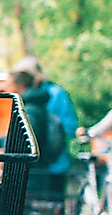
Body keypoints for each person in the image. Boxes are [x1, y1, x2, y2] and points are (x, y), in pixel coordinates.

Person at [7, 70, 69, 199]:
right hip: (40, 170)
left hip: (32, 173)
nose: (7, 89)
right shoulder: (37, 107)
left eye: (9, 85)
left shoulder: (29, 111)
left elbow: (26, 140)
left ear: (19, 87)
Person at [13, 55, 78, 176]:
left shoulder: (54, 94)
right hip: (40, 164)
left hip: (55, 163)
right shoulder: (32, 97)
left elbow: (69, 127)